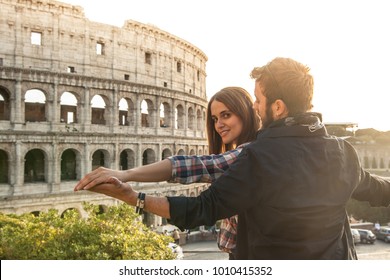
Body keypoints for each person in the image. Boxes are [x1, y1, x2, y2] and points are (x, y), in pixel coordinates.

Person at [75, 57, 390, 259]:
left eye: (258, 99)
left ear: (277, 107)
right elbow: (378, 190)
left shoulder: (257, 159)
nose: (255, 106)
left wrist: (133, 196)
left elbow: (202, 208)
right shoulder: (342, 152)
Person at [74, 86, 261, 260]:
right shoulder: (249, 151)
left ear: (245, 113)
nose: (218, 125)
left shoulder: (248, 153)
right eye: (214, 119)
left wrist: (125, 175)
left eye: (226, 115)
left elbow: (195, 166)